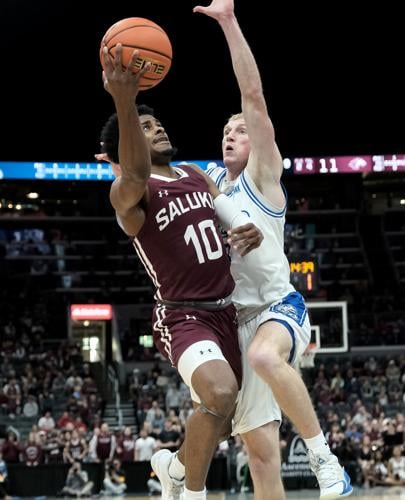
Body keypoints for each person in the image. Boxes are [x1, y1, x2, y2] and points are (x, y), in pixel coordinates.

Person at [150, 1, 353, 499]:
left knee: (265, 356)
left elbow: (253, 96)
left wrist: (227, 22)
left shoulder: (264, 177)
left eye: (239, 130)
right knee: (257, 454)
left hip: (276, 306)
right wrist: (118, 158)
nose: (230, 133)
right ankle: (177, 465)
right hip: (224, 320)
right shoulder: (207, 180)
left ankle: (325, 459)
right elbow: (153, 175)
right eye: (225, 130)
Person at [99, 41, 263, 500]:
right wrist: (124, 102)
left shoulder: (194, 171)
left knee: (223, 417)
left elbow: (228, 209)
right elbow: (131, 172)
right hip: (182, 316)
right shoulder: (129, 193)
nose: (158, 129)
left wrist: (247, 230)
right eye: (146, 128)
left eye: (157, 123)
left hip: (227, 311)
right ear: (130, 143)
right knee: (221, 392)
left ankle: (172, 466)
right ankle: (192, 494)